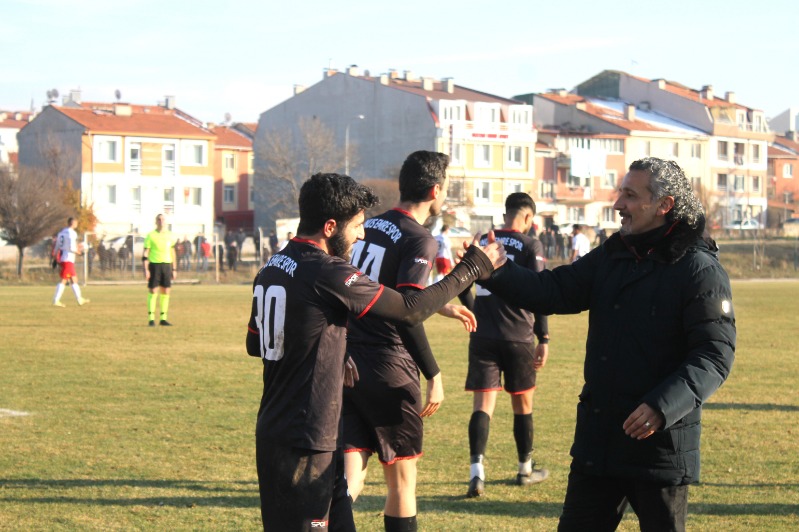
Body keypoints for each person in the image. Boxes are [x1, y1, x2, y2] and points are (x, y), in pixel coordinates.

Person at [479, 158, 736, 531]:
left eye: (630, 195)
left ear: (664, 206)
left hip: (659, 446)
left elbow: (714, 355)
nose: (618, 204)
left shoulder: (698, 269)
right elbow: (554, 290)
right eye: (620, 192)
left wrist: (663, 406)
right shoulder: (614, 253)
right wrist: (499, 270)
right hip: (598, 443)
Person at [246, 172, 504, 532]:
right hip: (306, 440)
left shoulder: (272, 266)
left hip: (288, 431)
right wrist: (473, 268)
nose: (362, 234)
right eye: (357, 226)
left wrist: (335, 357)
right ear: (330, 225)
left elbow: (256, 343)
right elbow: (411, 310)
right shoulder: (329, 272)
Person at [343, 151, 474, 531]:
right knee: (402, 482)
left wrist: (441, 306)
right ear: (435, 190)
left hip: (347, 363)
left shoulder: (367, 225)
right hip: (388, 367)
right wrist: (433, 373)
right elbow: (407, 313)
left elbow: (386, 291)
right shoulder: (421, 239)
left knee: (349, 472)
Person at [462, 192, 550, 498]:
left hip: (484, 334)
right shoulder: (530, 244)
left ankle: (477, 475)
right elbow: (540, 292)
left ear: (506, 213)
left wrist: (474, 309)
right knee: (522, 403)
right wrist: (545, 337)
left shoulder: (486, 240)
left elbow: (462, 281)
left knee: (482, 405)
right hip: (518, 336)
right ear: (528, 218)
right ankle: (525, 469)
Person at [143, 213, 177, 326]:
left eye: (163, 219)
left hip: (167, 265)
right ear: (156, 221)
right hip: (154, 265)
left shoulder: (171, 236)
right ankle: (151, 318)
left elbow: (173, 252)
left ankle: (163, 318)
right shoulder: (150, 235)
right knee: (153, 291)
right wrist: (146, 269)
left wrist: (174, 269)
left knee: (166, 291)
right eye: (159, 219)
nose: (161, 221)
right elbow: (145, 253)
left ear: (165, 221)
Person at [51, 216, 89, 307]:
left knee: (74, 279)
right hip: (68, 259)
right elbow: (72, 248)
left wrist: (55, 257)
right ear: (74, 223)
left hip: (63, 258)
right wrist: (79, 253)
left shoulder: (61, 233)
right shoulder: (72, 233)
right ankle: (56, 300)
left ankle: (80, 299)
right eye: (76, 223)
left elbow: (57, 246)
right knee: (64, 280)